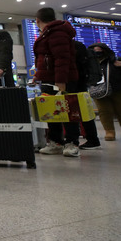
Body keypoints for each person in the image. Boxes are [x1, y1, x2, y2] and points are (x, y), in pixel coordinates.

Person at [32, 8, 80, 158]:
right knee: (51, 112)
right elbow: (44, 59)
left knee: (67, 111)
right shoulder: (47, 33)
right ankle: (55, 142)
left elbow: (62, 59)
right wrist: (38, 76)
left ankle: (72, 143)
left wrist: (61, 81)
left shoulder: (57, 32)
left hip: (62, 80)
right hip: (48, 79)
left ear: (38, 20)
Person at [88, 43, 121, 141]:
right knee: (104, 112)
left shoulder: (116, 60)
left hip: (118, 89)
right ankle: (109, 131)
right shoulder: (90, 64)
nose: (97, 53)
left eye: (99, 50)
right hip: (98, 91)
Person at [73, 41, 101, 150]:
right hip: (81, 84)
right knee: (84, 112)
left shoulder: (73, 46)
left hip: (76, 84)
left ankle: (91, 139)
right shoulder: (78, 45)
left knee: (79, 112)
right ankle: (92, 139)